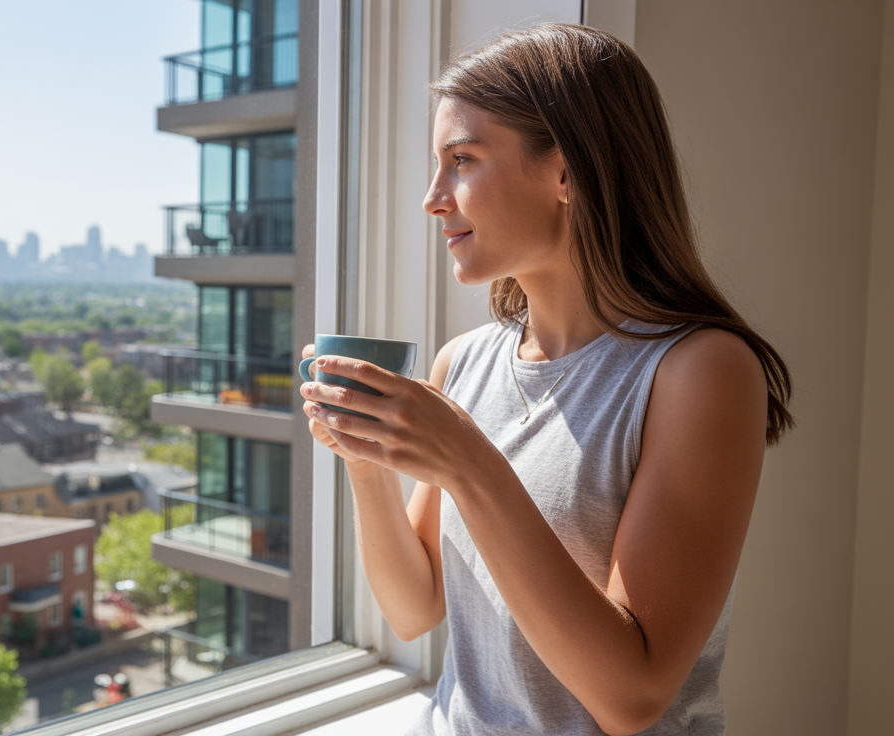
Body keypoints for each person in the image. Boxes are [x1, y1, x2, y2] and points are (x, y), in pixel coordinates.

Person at [300, 23, 791, 736]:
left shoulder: (699, 373)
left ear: (567, 173)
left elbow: (632, 697)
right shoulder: (462, 363)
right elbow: (413, 609)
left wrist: (468, 461)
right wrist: (368, 458)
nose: (434, 198)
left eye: (461, 160)